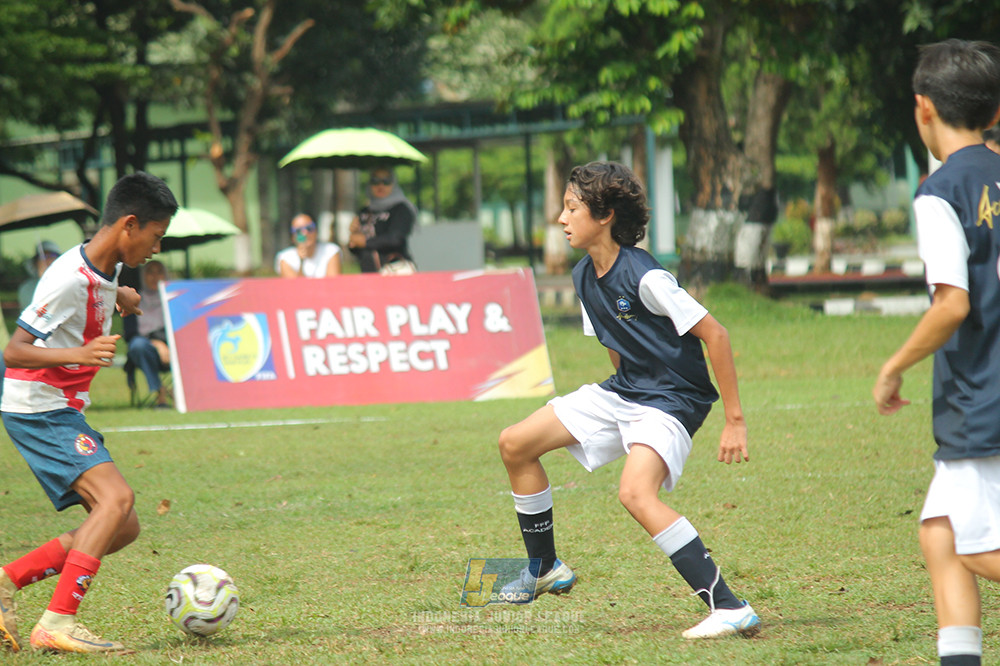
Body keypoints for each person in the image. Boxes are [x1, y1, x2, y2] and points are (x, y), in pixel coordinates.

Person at [497, 161, 759, 639]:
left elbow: (715, 335)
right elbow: (616, 350)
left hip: (673, 400)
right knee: (515, 443)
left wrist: (734, 419)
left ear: (606, 215)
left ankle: (729, 606)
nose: (561, 218)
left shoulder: (646, 276)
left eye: (571, 207)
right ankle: (544, 566)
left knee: (635, 493)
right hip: (626, 392)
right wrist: (619, 410)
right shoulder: (582, 277)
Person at [0, 171, 177, 654]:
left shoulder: (105, 263)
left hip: (61, 407)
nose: (156, 249)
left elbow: (97, 286)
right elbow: (14, 352)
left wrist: (118, 295)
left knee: (123, 526)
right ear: (130, 224)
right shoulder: (65, 280)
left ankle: (7, 580)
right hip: (38, 406)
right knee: (116, 499)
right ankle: (58, 621)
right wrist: (76, 354)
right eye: (156, 237)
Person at [873, 39, 1000, 666]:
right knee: (941, 536)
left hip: (981, 393)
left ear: (923, 109)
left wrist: (894, 366)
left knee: (977, 548)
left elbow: (952, 304)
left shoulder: (940, 190)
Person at [349, 168, 417, 274]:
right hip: (370, 272)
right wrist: (353, 237)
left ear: (394, 184)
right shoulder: (365, 211)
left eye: (386, 181)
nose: (380, 186)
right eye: (375, 181)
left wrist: (365, 242)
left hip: (394, 271)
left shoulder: (401, 208)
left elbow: (396, 239)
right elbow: (357, 250)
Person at [124, 260, 171, 408]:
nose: (154, 277)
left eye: (159, 272)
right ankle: (160, 392)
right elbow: (130, 334)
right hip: (145, 351)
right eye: (150, 272)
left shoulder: (174, 299)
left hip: (174, 350)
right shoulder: (134, 300)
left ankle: (190, 394)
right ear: (143, 275)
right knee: (137, 345)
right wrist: (157, 343)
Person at [275, 213, 341, 278]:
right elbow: (294, 287)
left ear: (316, 231)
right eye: (298, 230)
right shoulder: (285, 258)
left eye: (309, 228)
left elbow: (333, 285)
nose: (305, 233)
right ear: (292, 237)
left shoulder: (331, 251)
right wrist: (301, 262)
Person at [17, 240, 60, 312]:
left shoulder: (68, 282)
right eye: (43, 257)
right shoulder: (27, 288)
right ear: (35, 263)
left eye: (52, 256)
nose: (47, 261)